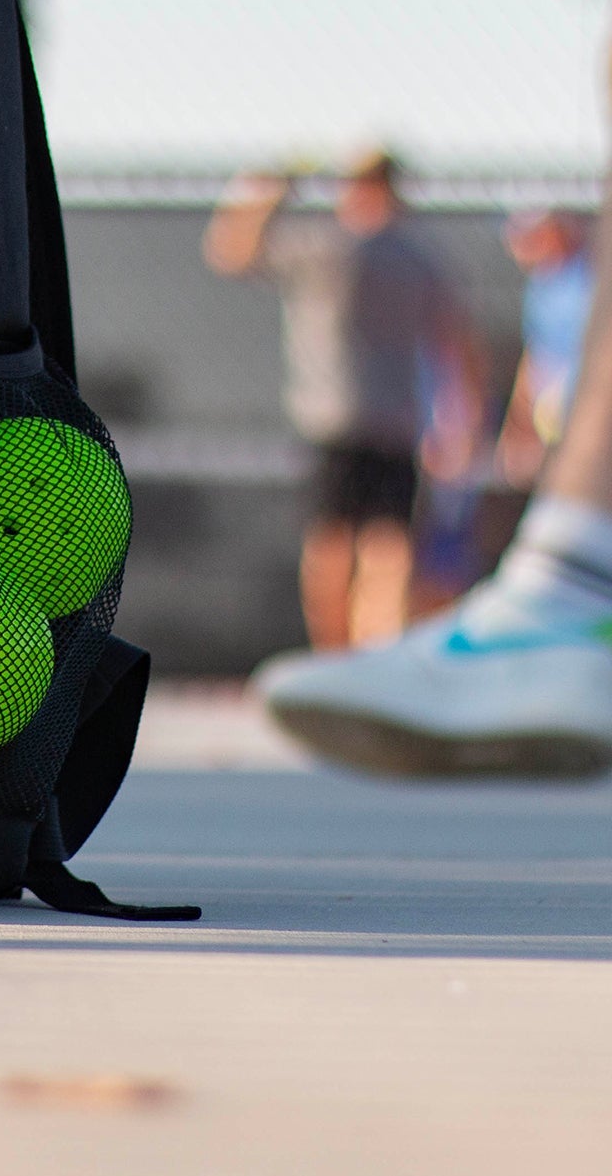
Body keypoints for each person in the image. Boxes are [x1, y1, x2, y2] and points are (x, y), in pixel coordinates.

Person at [256, 184, 612, 775]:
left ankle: (574, 595)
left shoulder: (422, 260)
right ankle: (576, 588)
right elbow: (537, 363)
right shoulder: (545, 285)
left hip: (399, 427)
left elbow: (463, 341)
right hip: (360, 425)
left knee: (393, 550)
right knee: (340, 544)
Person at [204, 151, 483, 652]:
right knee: (348, 546)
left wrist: (267, 191)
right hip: (344, 422)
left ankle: (356, 659)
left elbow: (231, 251)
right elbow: (232, 255)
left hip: (381, 425)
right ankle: (343, 659)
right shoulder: (345, 249)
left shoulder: (382, 254)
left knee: (379, 549)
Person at [497, 208, 595, 490]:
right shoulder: (540, 288)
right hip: (555, 420)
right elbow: (535, 358)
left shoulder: (590, 279)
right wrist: (517, 428)